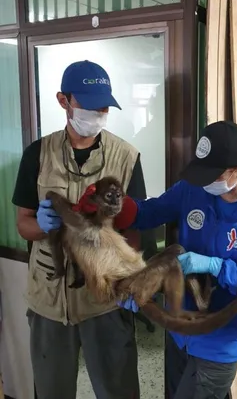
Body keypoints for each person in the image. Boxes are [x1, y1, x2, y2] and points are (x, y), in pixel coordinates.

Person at [12, 60, 156, 399]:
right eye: (89, 106)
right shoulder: (37, 155)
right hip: (49, 299)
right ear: (64, 101)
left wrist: (133, 280)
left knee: (118, 390)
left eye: (104, 107)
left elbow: (134, 230)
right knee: (51, 390)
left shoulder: (126, 157)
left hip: (104, 301)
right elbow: (23, 224)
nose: (99, 113)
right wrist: (41, 226)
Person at [116, 120, 237, 398]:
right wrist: (116, 206)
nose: (204, 182)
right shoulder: (193, 190)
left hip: (217, 346)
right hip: (178, 334)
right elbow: (151, 212)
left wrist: (218, 268)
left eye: (213, 175)